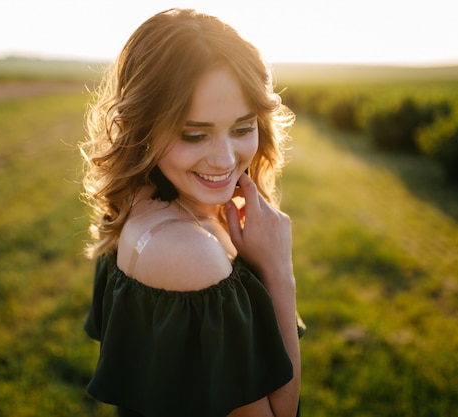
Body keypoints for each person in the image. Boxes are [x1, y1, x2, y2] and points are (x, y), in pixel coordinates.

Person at [80, 8, 302, 417]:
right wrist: (278, 272)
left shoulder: (141, 200)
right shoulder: (190, 255)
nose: (223, 159)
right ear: (144, 126)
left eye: (241, 128)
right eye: (194, 134)